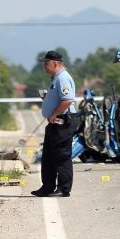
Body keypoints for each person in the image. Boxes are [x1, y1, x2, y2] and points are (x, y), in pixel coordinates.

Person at [31, 50, 78, 197]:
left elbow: (68, 100)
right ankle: (47, 187)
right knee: (49, 157)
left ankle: (64, 188)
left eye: (47, 63)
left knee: (61, 156)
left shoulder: (62, 78)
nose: (44, 66)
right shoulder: (55, 78)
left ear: (56, 63)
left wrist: (54, 114)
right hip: (55, 123)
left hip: (62, 122)